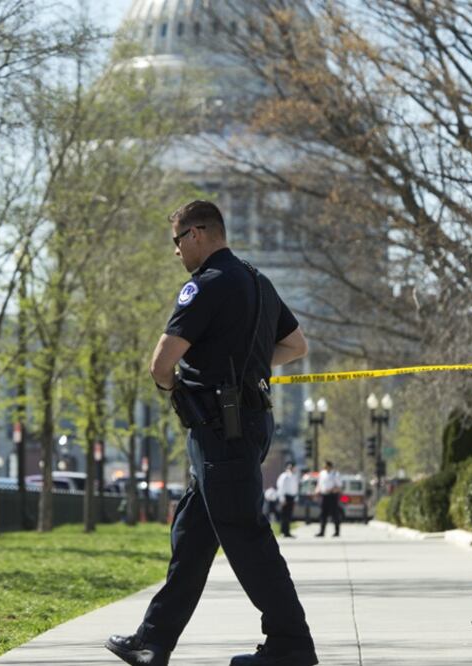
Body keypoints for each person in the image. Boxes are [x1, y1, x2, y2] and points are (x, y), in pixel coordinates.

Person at [105, 201, 318, 666]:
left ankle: (291, 645)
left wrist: (175, 385)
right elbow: (297, 346)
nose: (176, 252)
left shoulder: (205, 286)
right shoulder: (258, 282)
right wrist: (250, 369)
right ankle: (152, 641)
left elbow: (161, 364)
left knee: (246, 534)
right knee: (192, 535)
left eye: (177, 242)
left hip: (222, 430)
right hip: (248, 424)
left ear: (198, 234)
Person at [314, 460, 342, 538]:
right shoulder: (322, 474)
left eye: (326, 466)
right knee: (323, 514)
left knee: (335, 514)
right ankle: (322, 532)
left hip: (332, 496)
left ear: (330, 466)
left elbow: (339, 486)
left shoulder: (335, 474)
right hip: (324, 495)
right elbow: (319, 484)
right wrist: (317, 492)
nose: (324, 467)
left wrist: (332, 490)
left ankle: (337, 531)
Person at [275, 462, 299, 538]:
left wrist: (295, 498)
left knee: (289, 516)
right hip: (286, 497)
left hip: (291, 497)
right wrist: (282, 499)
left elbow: (295, 488)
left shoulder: (294, 476)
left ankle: (287, 532)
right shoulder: (284, 476)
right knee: (284, 515)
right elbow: (281, 487)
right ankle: (283, 532)